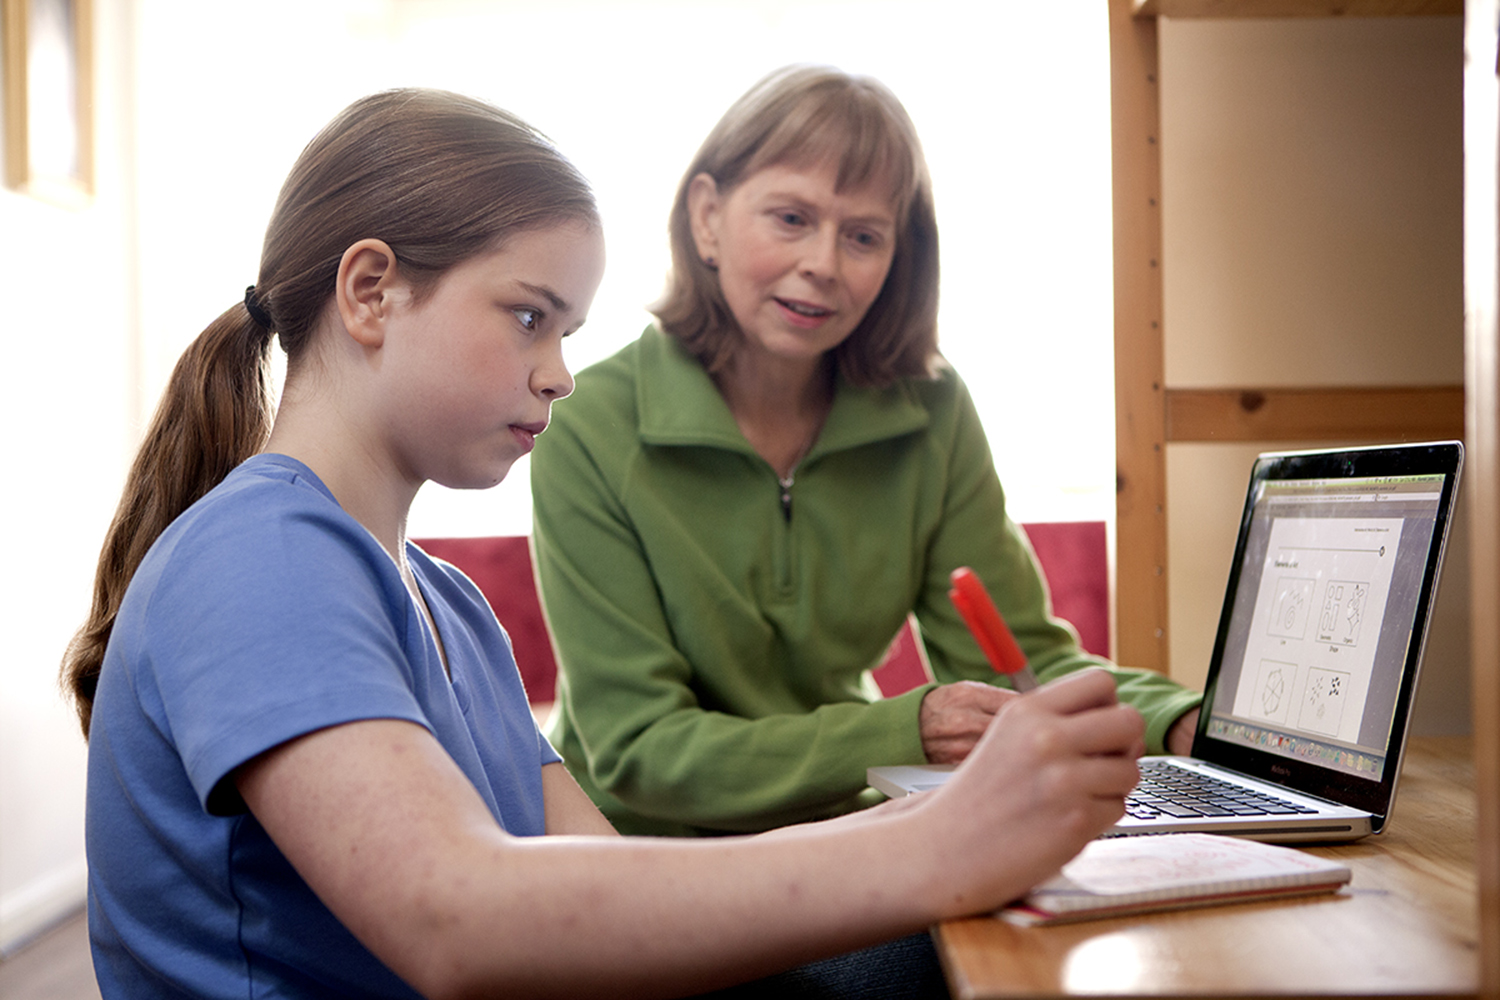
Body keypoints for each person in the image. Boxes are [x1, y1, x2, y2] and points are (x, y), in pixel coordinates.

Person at [61, 87, 1146, 1000]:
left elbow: (602, 888)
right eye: (531, 316)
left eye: (570, 332)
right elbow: (456, 918)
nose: (562, 374)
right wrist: (940, 842)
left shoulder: (447, 602)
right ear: (371, 290)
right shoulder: (261, 557)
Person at [529, 65, 1203, 838]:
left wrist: (1181, 722)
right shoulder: (588, 422)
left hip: (845, 835)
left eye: (863, 236)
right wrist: (901, 731)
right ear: (707, 217)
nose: (823, 261)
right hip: (637, 851)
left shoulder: (933, 411)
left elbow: (1018, 666)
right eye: (791, 218)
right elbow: (638, 750)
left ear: (897, 258)